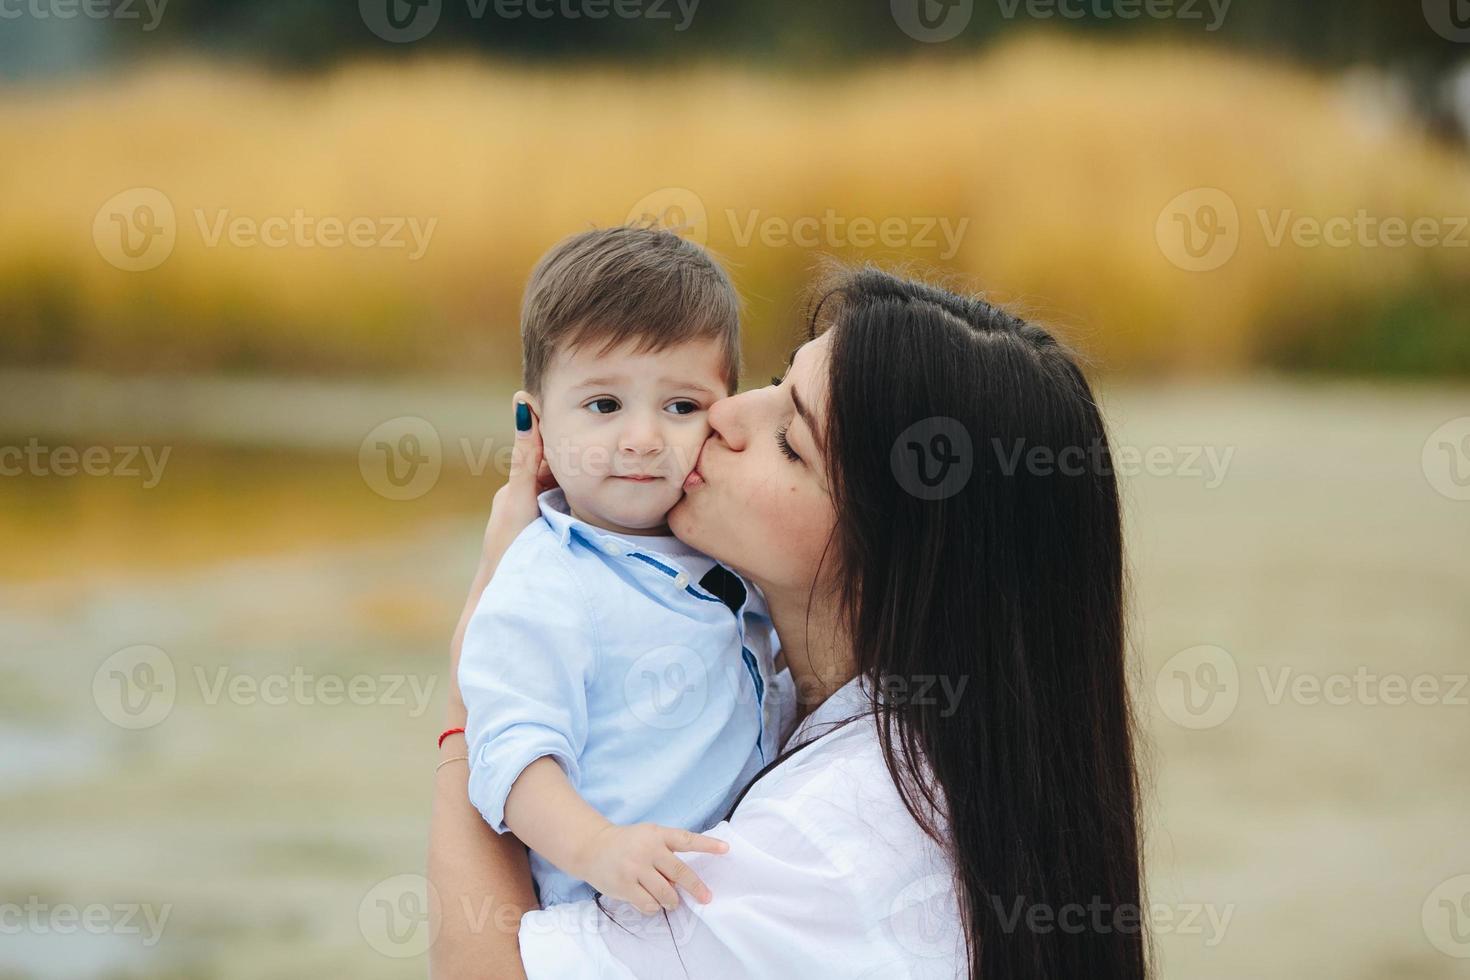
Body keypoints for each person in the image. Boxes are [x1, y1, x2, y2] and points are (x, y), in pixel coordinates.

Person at [429, 266, 1149, 980]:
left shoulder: (835, 844)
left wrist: (478, 676)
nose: (726, 413)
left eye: (790, 441)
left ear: (900, 555)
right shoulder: (924, 754)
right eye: (774, 381)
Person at [456, 226, 793, 913]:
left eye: (681, 407)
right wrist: (597, 847)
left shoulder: (729, 554)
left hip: (725, 908)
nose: (642, 439)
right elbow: (511, 755)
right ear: (539, 421)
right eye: (604, 405)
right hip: (609, 917)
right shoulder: (547, 577)